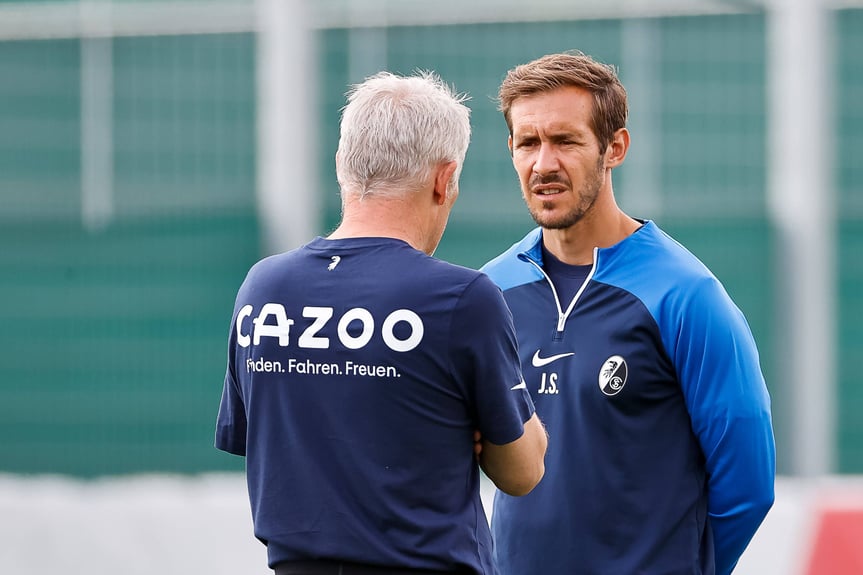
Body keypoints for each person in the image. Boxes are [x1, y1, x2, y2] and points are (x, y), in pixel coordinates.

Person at [215, 70, 547, 575]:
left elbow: (265, 439)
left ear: (341, 166)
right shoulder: (461, 299)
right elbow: (522, 471)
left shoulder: (263, 289)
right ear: (443, 179)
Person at [480, 51, 776, 575]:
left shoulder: (686, 294)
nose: (544, 164)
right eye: (528, 142)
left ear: (614, 147)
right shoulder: (490, 291)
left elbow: (747, 484)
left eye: (565, 141)